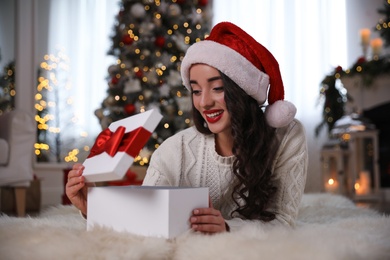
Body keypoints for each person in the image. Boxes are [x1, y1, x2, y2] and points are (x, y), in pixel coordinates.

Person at [66, 21, 308, 234]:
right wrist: (92, 208)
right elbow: (144, 222)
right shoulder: (175, 150)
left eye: (217, 88)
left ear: (242, 90)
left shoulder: (286, 136)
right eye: (196, 90)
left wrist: (227, 229)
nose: (204, 102)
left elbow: (283, 222)